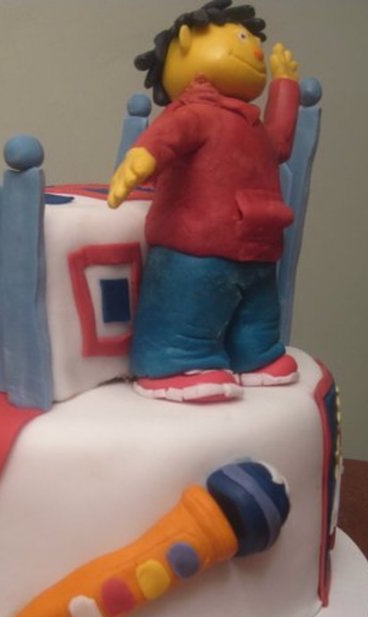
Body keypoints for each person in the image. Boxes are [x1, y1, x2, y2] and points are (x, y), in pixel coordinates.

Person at [109, 0, 301, 403]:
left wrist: (285, 87)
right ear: (185, 43)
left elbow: (280, 143)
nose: (255, 52)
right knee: (187, 308)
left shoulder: (251, 125)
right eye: (242, 38)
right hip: (195, 248)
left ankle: (257, 355)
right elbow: (169, 137)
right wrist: (142, 156)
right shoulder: (195, 112)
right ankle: (173, 362)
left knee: (258, 313)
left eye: (254, 43)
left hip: (260, 242)